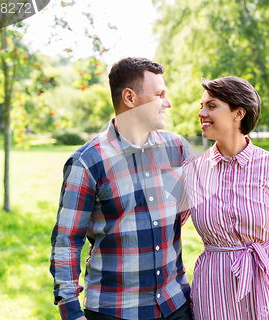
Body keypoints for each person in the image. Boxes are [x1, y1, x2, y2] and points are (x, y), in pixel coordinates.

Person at [50, 57, 194, 320]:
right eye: (160, 94)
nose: (168, 103)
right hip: (114, 310)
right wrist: (70, 311)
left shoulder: (177, 149)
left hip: (176, 304)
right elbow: (67, 241)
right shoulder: (87, 161)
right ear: (130, 98)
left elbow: (192, 209)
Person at [184, 76, 269, 320]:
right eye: (201, 106)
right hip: (213, 291)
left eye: (211, 106)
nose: (201, 113)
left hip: (266, 287)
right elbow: (168, 226)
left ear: (238, 113)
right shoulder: (193, 170)